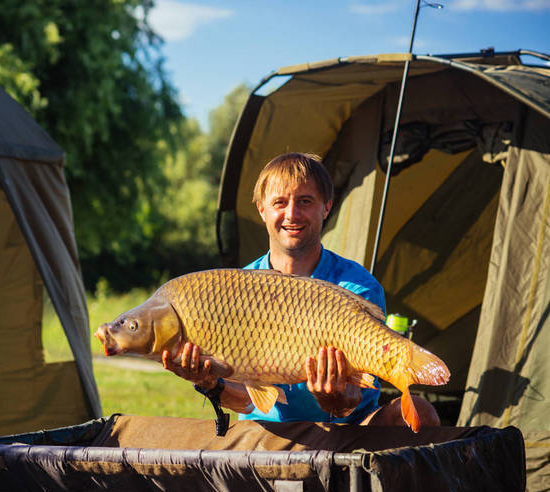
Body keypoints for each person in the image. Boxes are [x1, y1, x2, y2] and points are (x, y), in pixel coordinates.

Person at [162, 152, 440, 427]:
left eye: (305, 201)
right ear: (262, 209)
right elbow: (246, 400)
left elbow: (354, 398)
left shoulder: (357, 286)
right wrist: (209, 383)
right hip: (267, 432)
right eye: (280, 202)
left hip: (349, 429)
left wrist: (332, 396)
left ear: (326, 207)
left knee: (421, 413)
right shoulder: (236, 288)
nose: (291, 214)